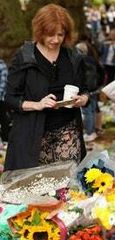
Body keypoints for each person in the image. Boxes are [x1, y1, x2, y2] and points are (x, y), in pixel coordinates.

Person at [4, 4, 89, 171]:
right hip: (33, 135)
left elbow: (85, 90)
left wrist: (82, 100)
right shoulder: (24, 57)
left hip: (68, 132)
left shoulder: (74, 58)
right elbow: (10, 98)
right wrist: (37, 104)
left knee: (68, 188)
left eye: (60, 34)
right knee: (38, 190)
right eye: (50, 35)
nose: (56, 40)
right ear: (39, 32)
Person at [0, 59, 11, 142]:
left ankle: (5, 141)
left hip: (1, 100)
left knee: (3, 121)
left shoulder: (1, 65)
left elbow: (3, 84)